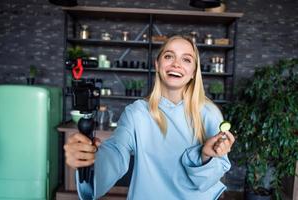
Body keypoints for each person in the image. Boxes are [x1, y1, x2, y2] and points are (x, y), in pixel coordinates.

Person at [64, 35, 235, 200]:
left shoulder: (210, 113)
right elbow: (116, 152)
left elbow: (212, 176)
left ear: (193, 72)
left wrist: (206, 156)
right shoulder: (137, 112)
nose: (176, 64)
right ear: (157, 64)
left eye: (186, 59)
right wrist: (89, 159)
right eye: (169, 56)